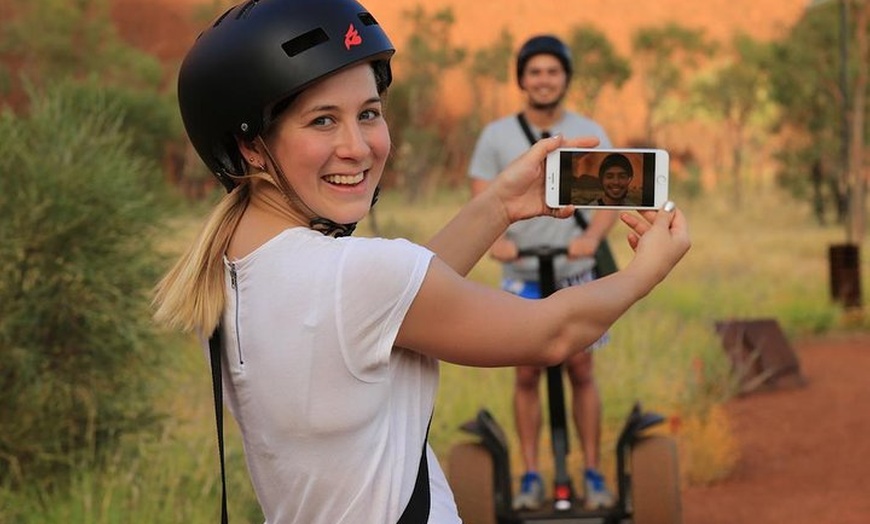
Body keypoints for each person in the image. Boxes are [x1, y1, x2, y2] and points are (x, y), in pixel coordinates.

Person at [152, 2, 691, 523]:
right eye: (322, 121)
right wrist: (645, 272)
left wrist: (500, 205)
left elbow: (396, 303)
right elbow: (551, 333)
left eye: (368, 114)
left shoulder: (229, 271)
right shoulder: (352, 278)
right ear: (251, 145)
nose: (358, 147)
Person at [467, 34, 622, 511]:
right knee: (528, 371)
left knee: (580, 366)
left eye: (552, 71)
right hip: (525, 270)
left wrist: (592, 239)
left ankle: (593, 473)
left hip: (576, 267)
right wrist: (497, 243)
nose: (543, 79)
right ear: (522, 79)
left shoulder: (588, 129)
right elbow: (481, 195)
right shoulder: (497, 135)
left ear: (565, 77)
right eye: (534, 71)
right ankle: (532, 474)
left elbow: (612, 195)